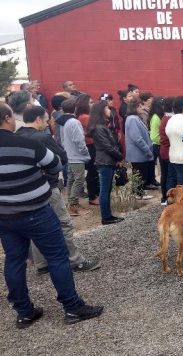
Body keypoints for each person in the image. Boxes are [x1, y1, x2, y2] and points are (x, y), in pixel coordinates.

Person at [0, 103, 103, 328]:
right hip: (36, 211)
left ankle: (24, 312)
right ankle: (72, 307)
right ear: (8, 118)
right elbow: (55, 164)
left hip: (5, 217)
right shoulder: (28, 144)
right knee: (57, 257)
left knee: (14, 261)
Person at [17, 106, 101, 271]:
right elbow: (61, 158)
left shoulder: (17, 136)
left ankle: (41, 263)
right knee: (64, 223)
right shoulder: (42, 138)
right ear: (38, 119)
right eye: (46, 119)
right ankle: (75, 260)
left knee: (35, 227)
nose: (48, 123)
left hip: (28, 190)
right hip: (48, 186)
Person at [89, 101, 126, 225]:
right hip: (105, 162)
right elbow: (108, 147)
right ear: (101, 111)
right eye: (106, 108)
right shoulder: (99, 128)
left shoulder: (103, 126)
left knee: (107, 189)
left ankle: (108, 215)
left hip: (108, 161)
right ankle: (106, 217)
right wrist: (120, 157)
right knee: (105, 190)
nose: (109, 110)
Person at [58, 98, 91, 216]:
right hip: (77, 156)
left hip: (70, 154)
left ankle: (71, 202)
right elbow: (79, 140)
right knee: (79, 179)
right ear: (75, 108)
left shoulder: (64, 122)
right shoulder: (74, 122)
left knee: (72, 179)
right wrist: (85, 152)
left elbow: (62, 140)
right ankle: (73, 205)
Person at [124, 99, 154, 200]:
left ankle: (138, 192)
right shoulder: (132, 119)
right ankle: (138, 193)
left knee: (139, 173)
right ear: (134, 108)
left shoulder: (136, 118)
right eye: (140, 106)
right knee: (139, 173)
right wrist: (147, 150)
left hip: (139, 153)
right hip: (137, 153)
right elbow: (137, 138)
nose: (142, 108)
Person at [75, 94, 100, 206]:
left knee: (93, 171)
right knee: (92, 171)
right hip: (90, 146)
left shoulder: (82, 116)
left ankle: (94, 194)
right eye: (90, 102)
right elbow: (95, 131)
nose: (92, 104)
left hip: (91, 145)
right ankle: (92, 196)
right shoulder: (85, 117)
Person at [157, 97, 175, 205]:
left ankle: (164, 197)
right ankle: (166, 197)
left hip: (164, 150)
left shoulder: (165, 117)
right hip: (167, 151)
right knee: (168, 176)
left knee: (165, 175)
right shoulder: (169, 119)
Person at [148, 97, 165, 195]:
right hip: (157, 145)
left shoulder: (158, 116)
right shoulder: (155, 118)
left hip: (159, 144)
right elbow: (154, 136)